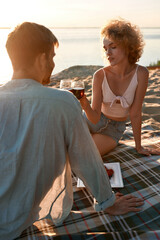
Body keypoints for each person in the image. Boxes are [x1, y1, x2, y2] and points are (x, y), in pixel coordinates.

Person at [0, 22, 144, 240]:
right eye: (52, 56)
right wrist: (108, 202)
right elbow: (86, 159)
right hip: (14, 222)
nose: (53, 63)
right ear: (42, 58)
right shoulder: (63, 101)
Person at [80, 19, 160, 156]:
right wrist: (84, 104)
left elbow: (135, 113)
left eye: (113, 47)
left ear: (128, 47)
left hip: (114, 129)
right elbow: (93, 118)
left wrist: (139, 147)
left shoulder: (141, 73)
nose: (108, 53)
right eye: (105, 49)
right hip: (88, 121)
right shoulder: (99, 75)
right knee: (64, 148)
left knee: (86, 154)